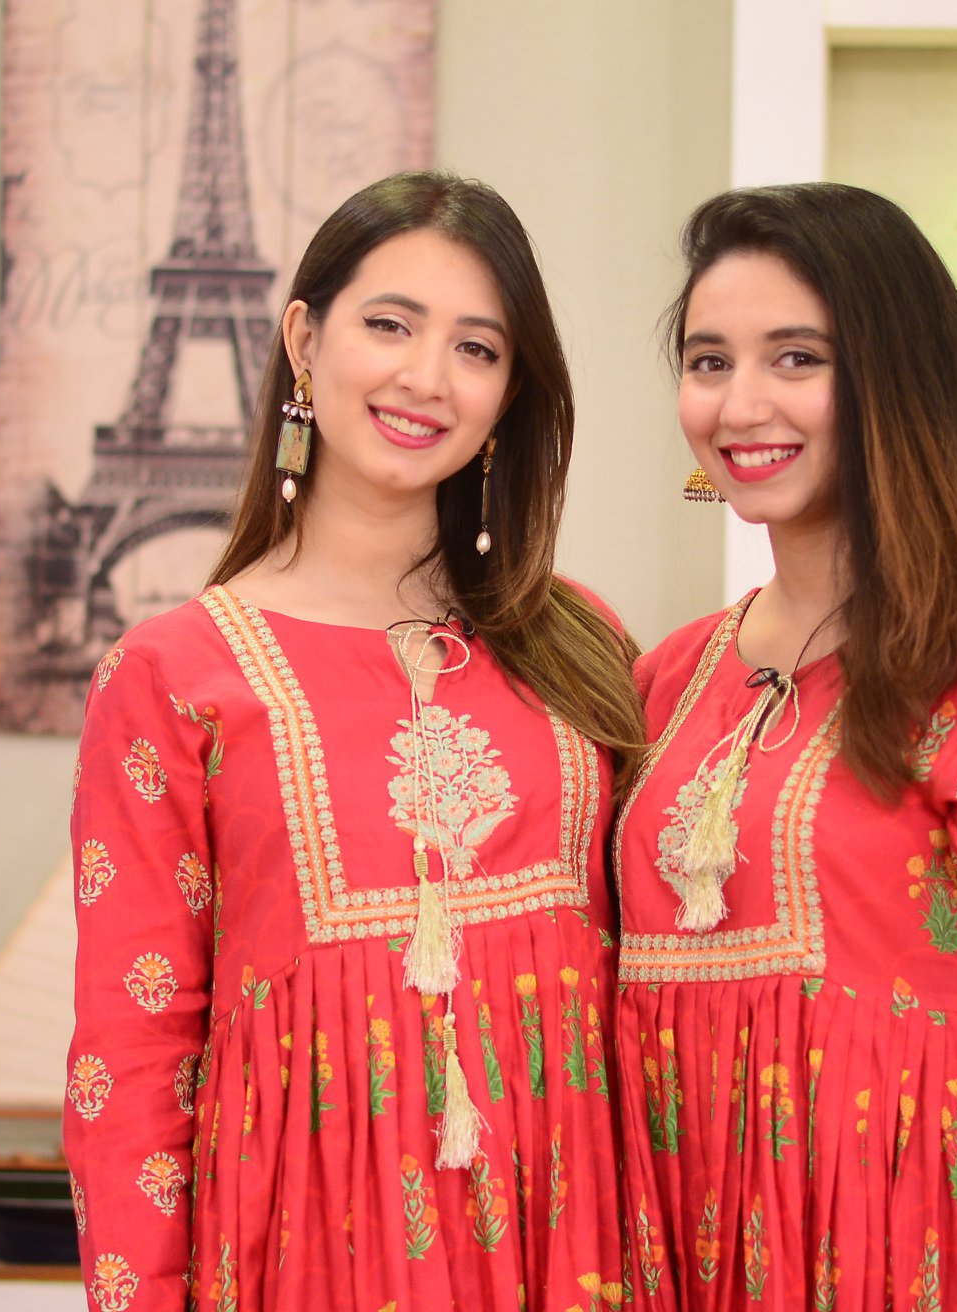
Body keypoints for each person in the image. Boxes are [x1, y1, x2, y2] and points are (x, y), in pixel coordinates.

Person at [63, 171, 644, 1312]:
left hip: (576, 1252)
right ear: (302, 338)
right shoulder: (172, 674)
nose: (428, 378)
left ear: (510, 390)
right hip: (305, 1256)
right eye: (390, 325)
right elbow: (127, 1064)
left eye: (478, 348)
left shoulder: (583, 646)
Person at [614, 184, 957, 1311]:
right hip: (666, 1258)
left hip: (902, 1259)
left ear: (893, 379)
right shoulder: (669, 677)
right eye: (710, 360)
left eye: (797, 358)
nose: (740, 403)